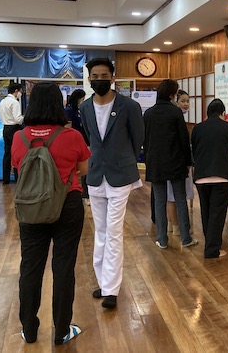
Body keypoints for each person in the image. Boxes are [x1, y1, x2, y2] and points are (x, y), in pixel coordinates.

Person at [11, 82, 90, 345]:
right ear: (59, 104)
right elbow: (84, 169)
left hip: (31, 206)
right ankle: (62, 330)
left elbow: (17, 168)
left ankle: (29, 329)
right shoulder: (72, 136)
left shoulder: (19, 137)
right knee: (64, 267)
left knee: (30, 267)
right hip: (67, 205)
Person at [80, 57, 144, 310]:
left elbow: (138, 139)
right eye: (95, 77)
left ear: (113, 78)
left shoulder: (129, 106)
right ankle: (103, 281)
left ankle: (111, 289)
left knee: (114, 231)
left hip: (121, 175)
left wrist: (123, 159)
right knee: (101, 231)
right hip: (96, 174)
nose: (99, 80)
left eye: (104, 76)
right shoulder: (85, 107)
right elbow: (90, 138)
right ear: (89, 79)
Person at [143, 79, 198, 250]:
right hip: (175, 161)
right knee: (180, 199)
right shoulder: (175, 112)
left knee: (160, 200)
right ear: (172, 94)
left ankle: (162, 239)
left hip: (155, 162)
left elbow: (145, 139)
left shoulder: (148, 113)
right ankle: (186, 238)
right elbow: (183, 139)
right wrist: (188, 161)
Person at [192, 98, 228, 258]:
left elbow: (195, 150)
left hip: (201, 176)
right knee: (217, 213)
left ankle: (210, 244)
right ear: (223, 113)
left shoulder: (197, 129)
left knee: (206, 211)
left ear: (207, 114)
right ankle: (212, 250)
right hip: (222, 176)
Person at [166, 90, 194, 236]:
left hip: (174, 162)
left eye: (187, 101)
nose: (186, 104)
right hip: (177, 163)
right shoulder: (175, 118)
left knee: (172, 196)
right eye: (182, 101)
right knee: (174, 196)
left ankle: (172, 224)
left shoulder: (179, 118)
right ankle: (177, 227)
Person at [65, 89, 89, 203]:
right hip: (73, 144)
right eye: (82, 99)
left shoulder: (78, 110)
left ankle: (85, 193)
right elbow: (68, 129)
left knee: (84, 168)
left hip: (83, 142)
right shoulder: (69, 111)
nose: (83, 101)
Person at [0, 82, 24, 184]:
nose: (21, 94)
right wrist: (25, 117)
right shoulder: (15, 102)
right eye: (20, 91)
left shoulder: (3, 101)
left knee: (7, 153)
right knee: (16, 153)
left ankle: (6, 179)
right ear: (16, 91)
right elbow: (18, 119)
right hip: (14, 129)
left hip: (5, 128)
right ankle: (18, 178)